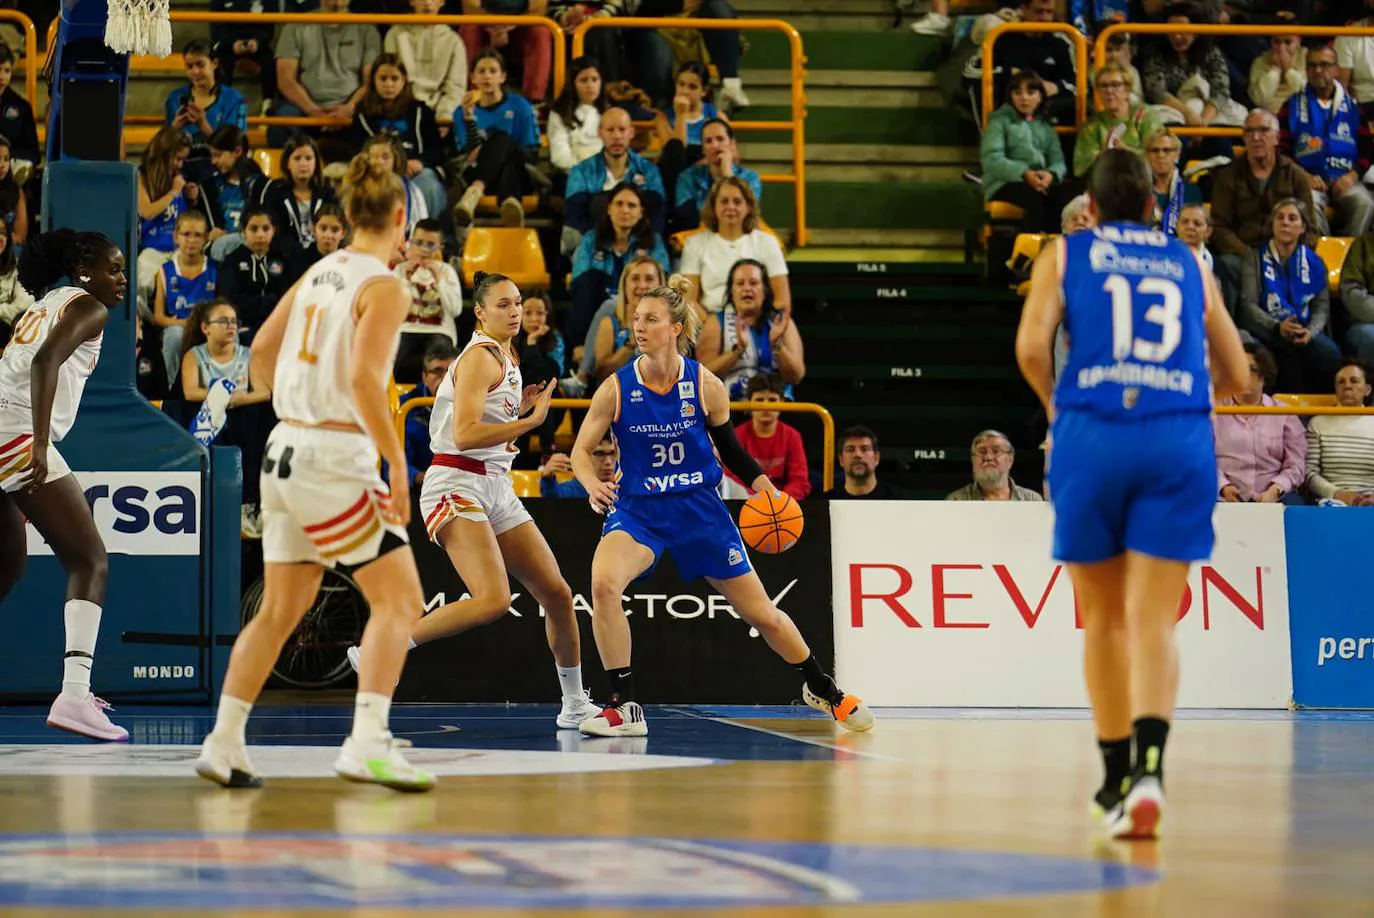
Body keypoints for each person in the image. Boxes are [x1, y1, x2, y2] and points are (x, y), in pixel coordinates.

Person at [1014, 148, 1249, 840]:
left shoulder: (1064, 252)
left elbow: (1031, 348)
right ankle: (1151, 770)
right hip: (1176, 438)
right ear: (1155, 206)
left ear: (1089, 207)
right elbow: (1236, 374)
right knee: (1155, 621)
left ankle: (1115, 775)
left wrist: (1059, 410)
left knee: (1103, 619)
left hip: (1093, 434)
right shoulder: (1188, 262)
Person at [196, 154, 435, 792]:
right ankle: (367, 741)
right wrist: (396, 463)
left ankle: (223, 742)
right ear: (401, 217)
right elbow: (362, 379)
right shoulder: (385, 285)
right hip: (333, 455)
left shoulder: (320, 269)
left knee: (280, 609)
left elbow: (263, 351)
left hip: (284, 450)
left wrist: (295, 400)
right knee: (401, 601)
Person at [568, 275, 873, 738]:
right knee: (603, 584)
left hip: (700, 511)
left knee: (763, 613)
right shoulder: (615, 388)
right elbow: (579, 450)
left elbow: (731, 451)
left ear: (675, 327)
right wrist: (591, 481)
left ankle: (823, 689)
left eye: (650, 319)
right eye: (636, 319)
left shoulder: (705, 384)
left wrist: (765, 488)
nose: (639, 327)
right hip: (639, 511)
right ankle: (624, 706)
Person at [352, 272, 598, 729]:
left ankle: (574, 704)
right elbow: (464, 434)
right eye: (503, 304)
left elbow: (483, 424)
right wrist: (531, 423)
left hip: (495, 485)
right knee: (492, 600)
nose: (515, 311)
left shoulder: (507, 355)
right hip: (455, 482)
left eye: (519, 302)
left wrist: (519, 410)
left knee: (559, 595)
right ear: (480, 313)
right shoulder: (481, 358)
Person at [0, 229, 129, 741]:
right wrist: (34, 446)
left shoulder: (50, 299)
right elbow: (43, 360)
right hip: (15, 432)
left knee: (7, 563)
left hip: (2, 422)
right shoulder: (89, 307)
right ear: (84, 273)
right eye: (113, 269)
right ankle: (74, 695)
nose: (121, 279)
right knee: (89, 560)